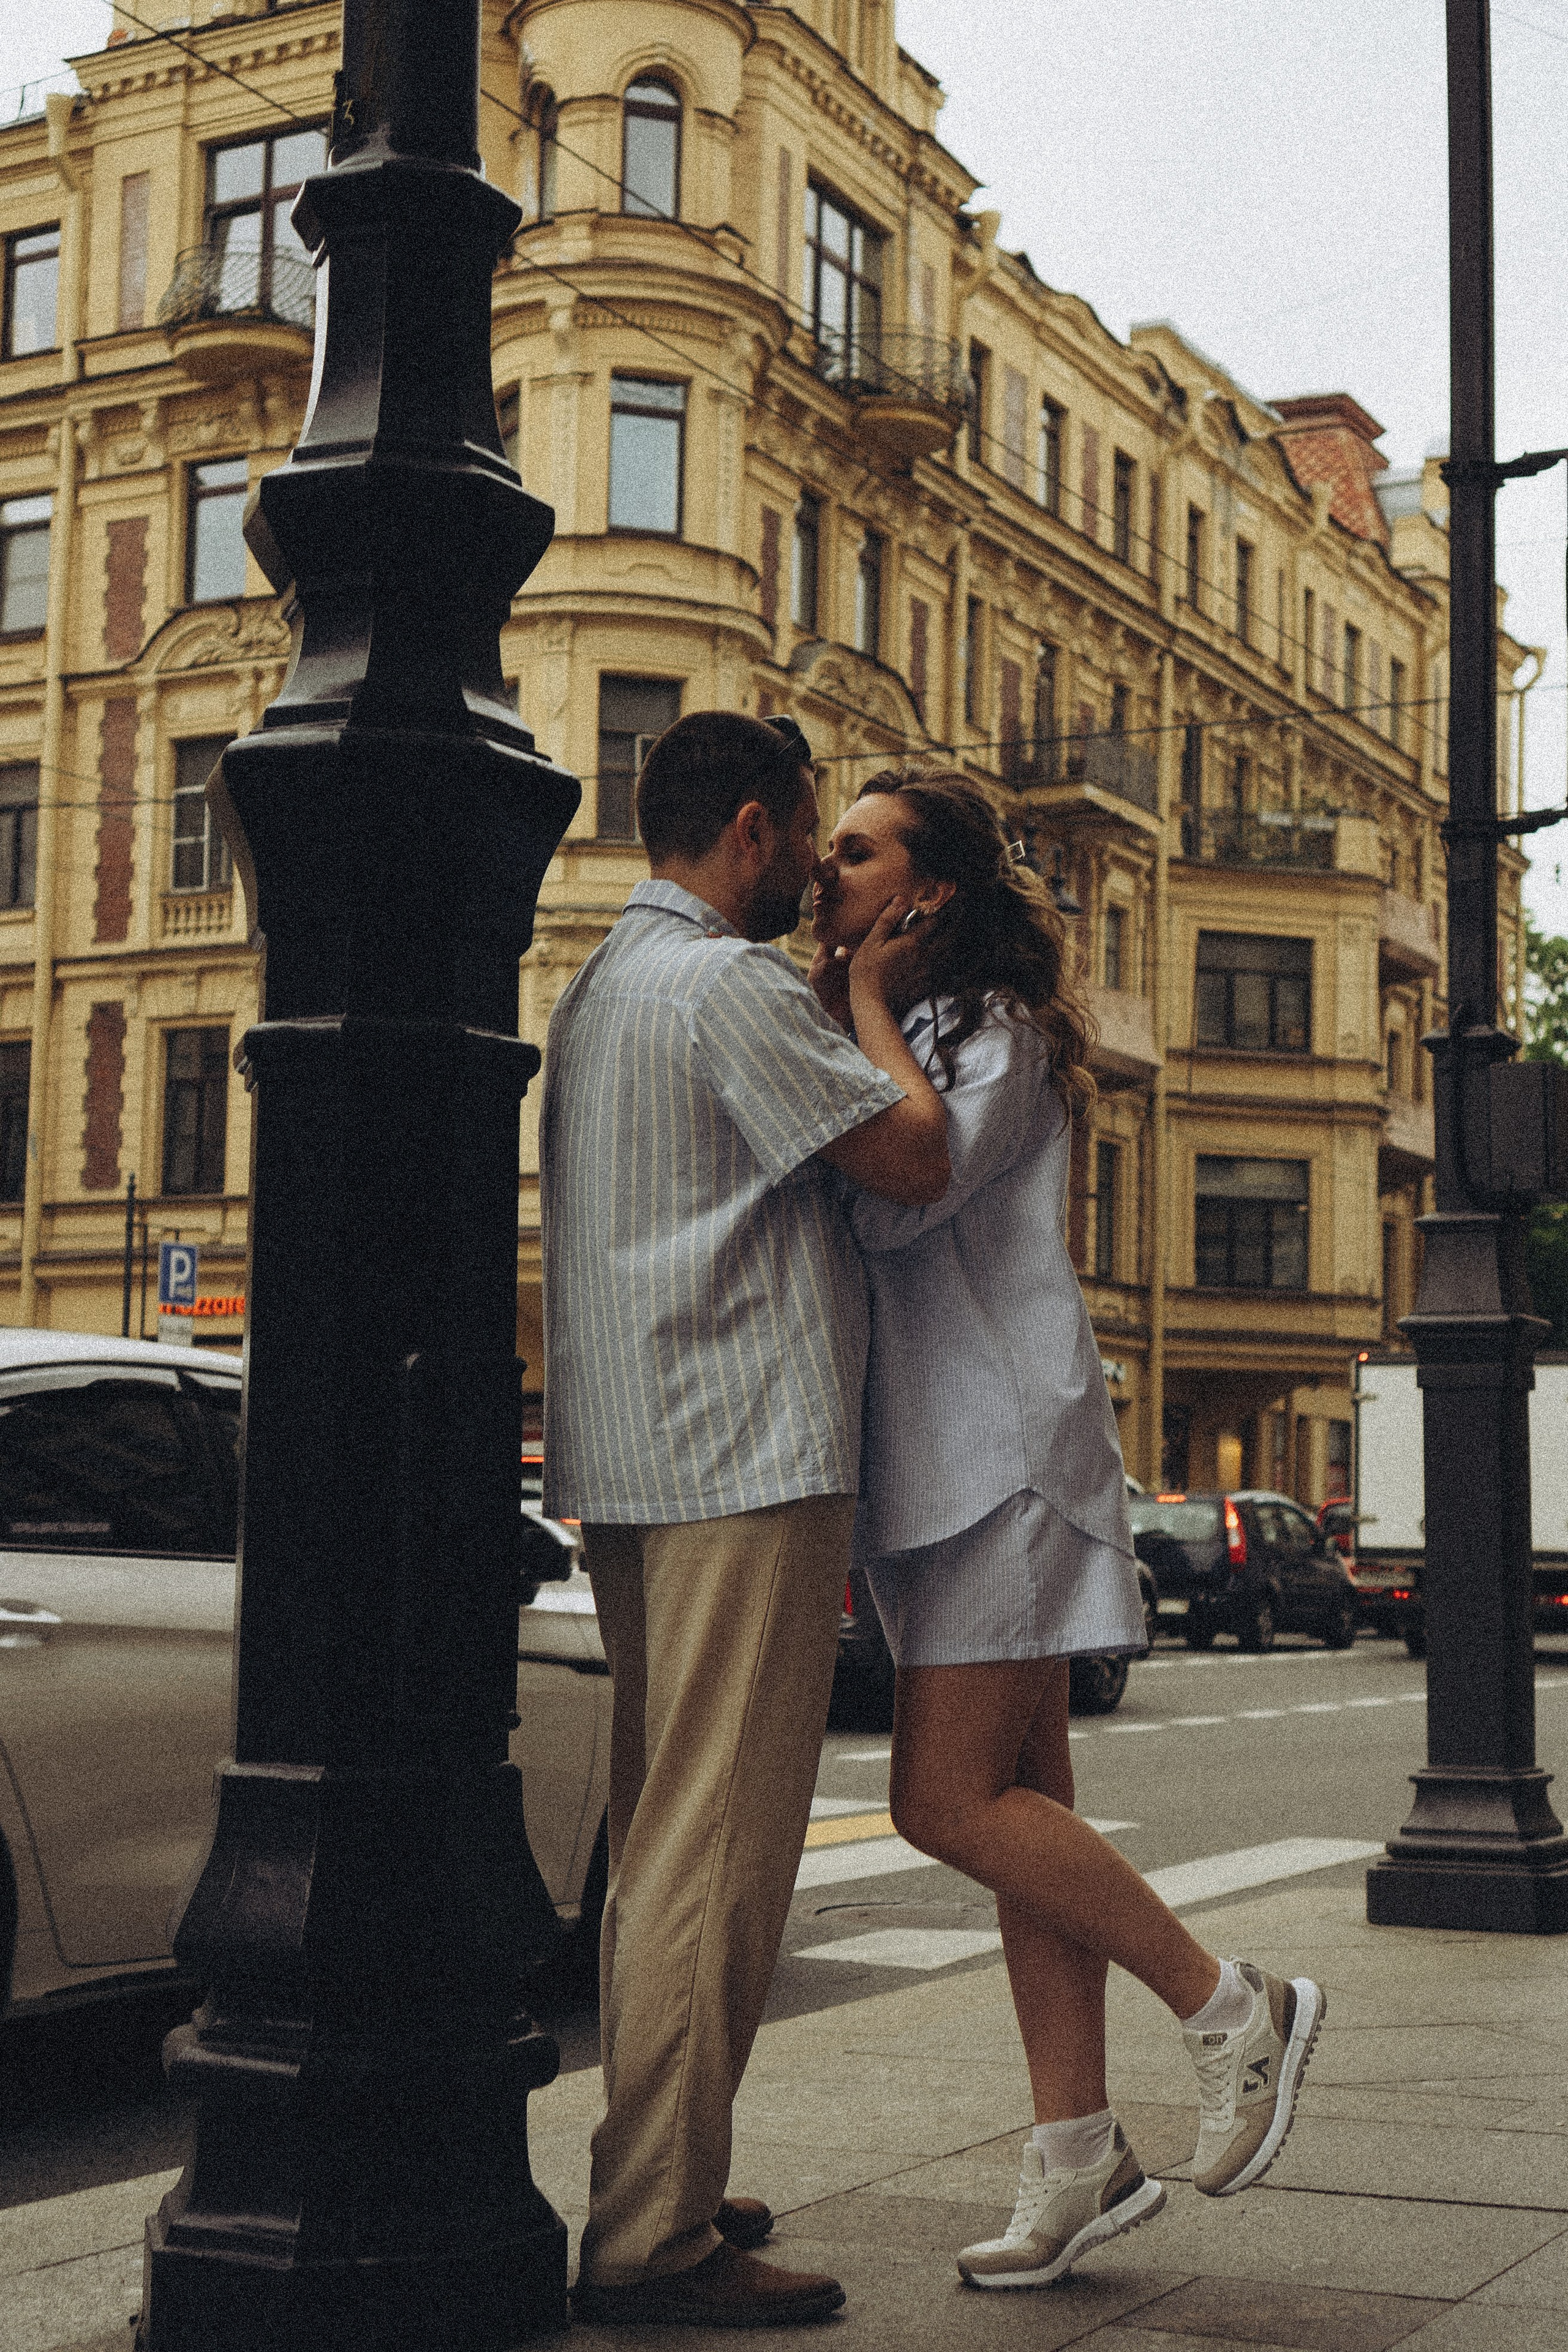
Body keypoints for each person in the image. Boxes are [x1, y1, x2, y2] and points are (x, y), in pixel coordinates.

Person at [809, 771, 1327, 2291]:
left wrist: (858, 997)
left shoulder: (995, 1035)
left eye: (858, 854)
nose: (828, 875)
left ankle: (1233, 2006)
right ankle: (1076, 2156)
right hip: (939, 1464)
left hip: (996, 1459)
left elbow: (905, 1194)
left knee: (938, 1803)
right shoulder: (926, 1026)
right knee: (1028, 1818)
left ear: (929, 895)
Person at [540, 712, 948, 2328]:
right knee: (715, 1859)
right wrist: (861, 994)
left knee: (662, 1845)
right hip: (747, 1460)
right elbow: (912, 1158)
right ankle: (654, 2238)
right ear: (762, 833)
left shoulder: (599, 982)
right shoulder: (730, 986)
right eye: (809, 838)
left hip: (638, 1459)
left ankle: (670, 2170)